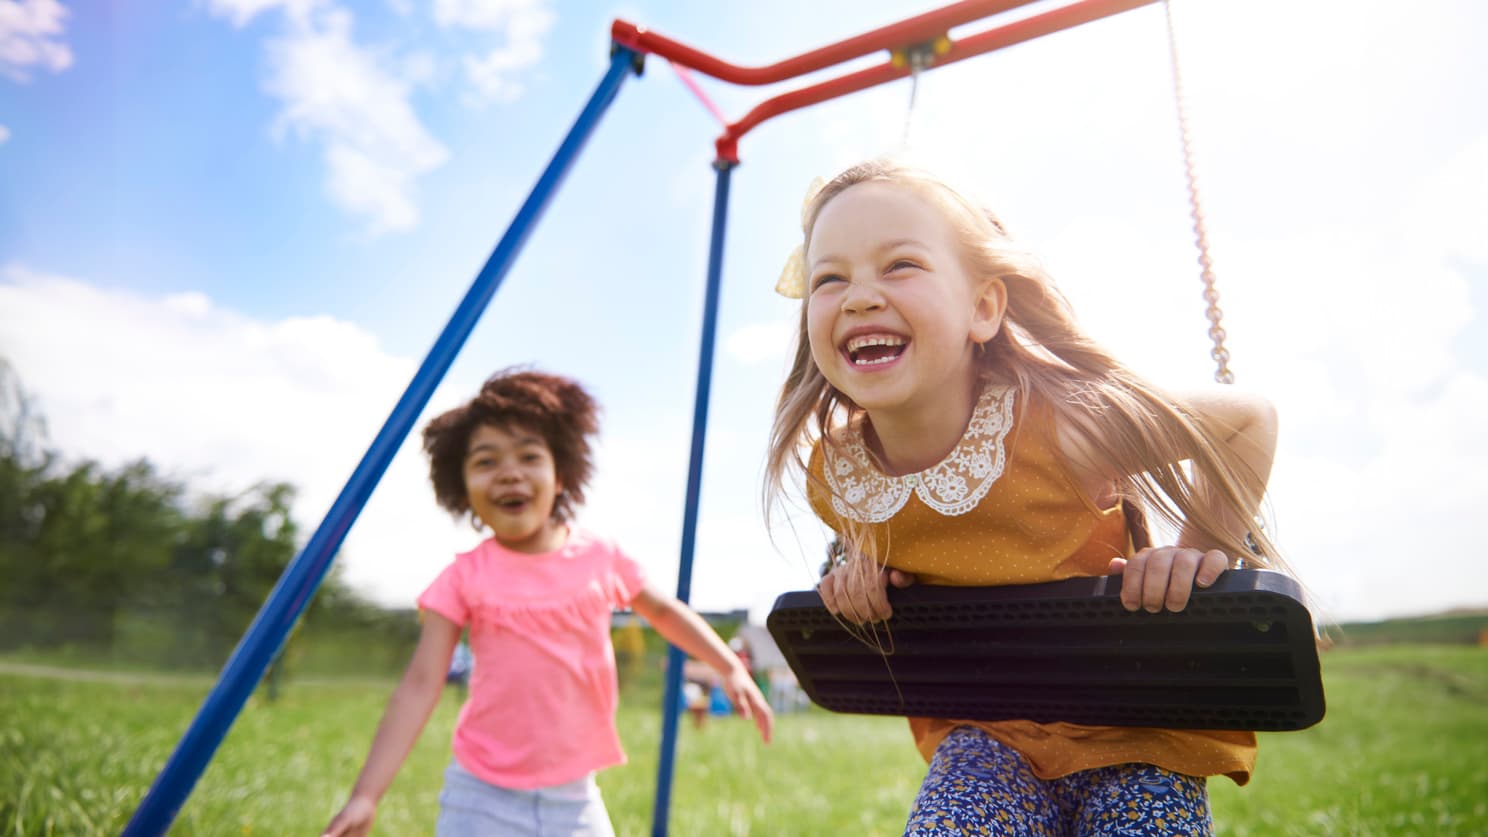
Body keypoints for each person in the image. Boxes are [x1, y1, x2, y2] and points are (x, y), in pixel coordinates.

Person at [763, 158, 1288, 835]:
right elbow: (895, 546)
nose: (860, 296)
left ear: (983, 307)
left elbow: (1249, 419)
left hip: (1138, 731)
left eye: (899, 266)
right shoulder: (837, 475)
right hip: (987, 735)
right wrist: (858, 577)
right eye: (829, 278)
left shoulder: (1060, 428)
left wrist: (1198, 550)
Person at [324, 369, 772, 837]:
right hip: (479, 796)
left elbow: (663, 611)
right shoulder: (462, 577)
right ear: (462, 487)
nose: (510, 472)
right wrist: (365, 796)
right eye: (486, 461)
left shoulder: (600, 557)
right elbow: (420, 683)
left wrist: (729, 665)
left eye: (529, 456)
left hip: (574, 798)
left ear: (560, 475)